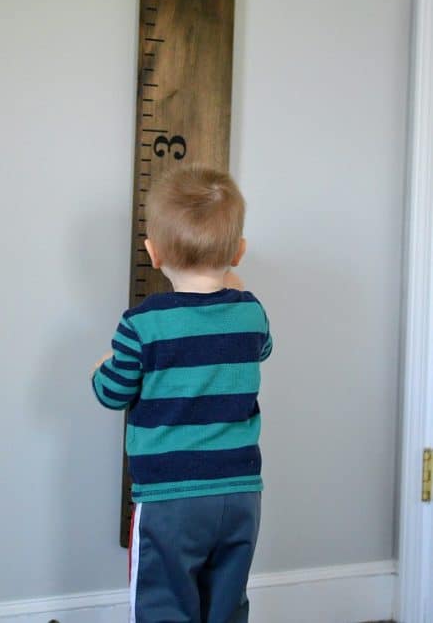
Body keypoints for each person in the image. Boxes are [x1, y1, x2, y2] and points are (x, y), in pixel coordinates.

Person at [91, 164, 273, 623]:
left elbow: (113, 393)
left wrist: (100, 369)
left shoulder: (142, 324)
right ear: (239, 251)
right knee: (226, 606)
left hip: (172, 497)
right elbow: (262, 348)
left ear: (152, 253)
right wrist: (235, 290)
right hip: (240, 494)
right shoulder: (252, 313)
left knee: (164, 605)